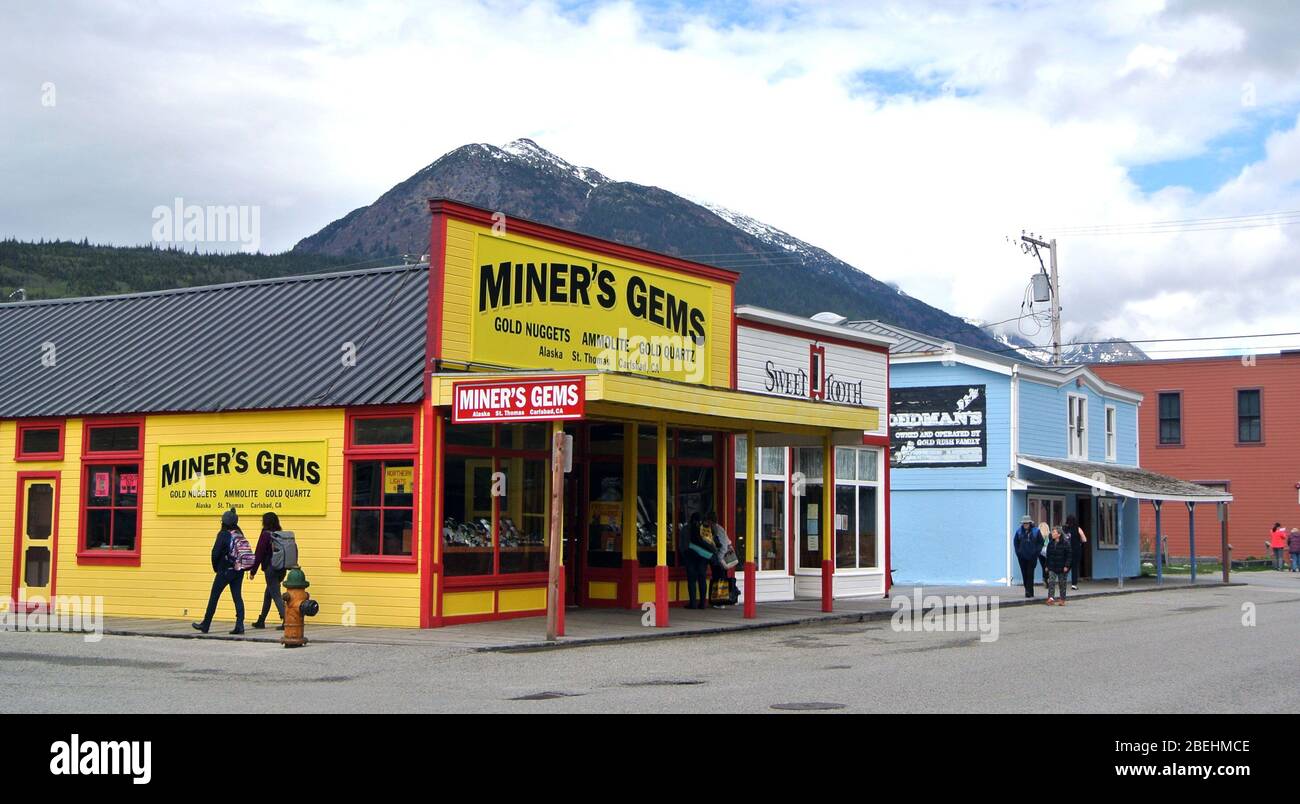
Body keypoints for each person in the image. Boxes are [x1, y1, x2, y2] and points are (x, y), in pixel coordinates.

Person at [192, 508, 248, 634]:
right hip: (238, 570)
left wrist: (217, 568)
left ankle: (206, 624)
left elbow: (215, 553)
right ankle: (240, 625)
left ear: (223, 522)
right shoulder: (239, 533)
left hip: (225, 570)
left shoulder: (223, 534)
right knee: (237, 597)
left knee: (214, 597)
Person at [249, 512, 287, 630]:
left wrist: (253, 571)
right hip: (282, 568)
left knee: (275, 595)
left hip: (271, 569)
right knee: (268, 594)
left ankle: (288, 620)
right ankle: (261, 620)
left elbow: (259, 553)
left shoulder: (266, 535)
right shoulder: (280, 534)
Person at [703, 511, 737, 605]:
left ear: (710, 520)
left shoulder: (718, 529)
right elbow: (728, 541)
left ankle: (721, 600)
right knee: (719, 578)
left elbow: (723, 545)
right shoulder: (715, 529)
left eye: (707, 520)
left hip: (720, 559)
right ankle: (720, 599)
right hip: (718, 558)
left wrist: (720, 558)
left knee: (720, 579)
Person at [682, 513, 712, 610]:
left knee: (691, 580)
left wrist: (684, 555)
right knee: (702, 579)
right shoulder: (704, 528)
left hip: (690, 555)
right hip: (703, 556)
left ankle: (693, 603)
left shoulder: (686, 529)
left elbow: (682, 544)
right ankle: (703, 603)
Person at [1012, 515, 1043, 599]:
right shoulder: (1019, 532)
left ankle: (1029, 591)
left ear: (1030, 523)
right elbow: (1015, 543)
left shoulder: (1036, 531)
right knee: (1024, 574)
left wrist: (1037, 552)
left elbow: (1041, 542)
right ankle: (1028, 590)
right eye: (1024, 523)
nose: (1025, 525)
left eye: (1027, 523)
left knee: (1030, 573)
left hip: (1032, 556)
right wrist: (1018, 552)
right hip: (1022, 557)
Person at [1044, 526, 1072, 606]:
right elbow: (1048, 555)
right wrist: (1046, 565)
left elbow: (1069, 556)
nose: (1052, 534)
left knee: (1062, 583)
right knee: (1051, 582)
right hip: (1052, 566)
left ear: (1059, 534)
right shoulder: (1050, 543)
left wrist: (1067, 566)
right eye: (1052, 532)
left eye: (1054, 532)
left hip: (1062, 567)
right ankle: (1051, 598)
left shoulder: (1066, 543)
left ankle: (1062, 599)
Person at [1063, 514, 1088, 590]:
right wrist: (1079, 541)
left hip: (1066, 550)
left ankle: (1062, 580)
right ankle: (1074, 584)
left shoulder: (1064, 529)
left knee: (1066, 566)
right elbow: (1084, 539)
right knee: (1074, 567)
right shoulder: (1078, 529)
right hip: (1076, 550)